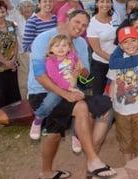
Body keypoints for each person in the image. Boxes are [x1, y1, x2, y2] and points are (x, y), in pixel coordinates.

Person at [27, 10, 116, 179]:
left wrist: (81, 71)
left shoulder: (81, 44)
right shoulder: (44, 38)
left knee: (103, 106)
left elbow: (85, 79)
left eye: (84, 25)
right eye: (77, 22)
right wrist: (64, 94)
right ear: (67, 19)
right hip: (42, 93)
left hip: (69, 91)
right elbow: (39, 75)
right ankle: (92, 160)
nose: (80, 27)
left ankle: (47, 172)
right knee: (79, 109)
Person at [107, 26, 138, 161]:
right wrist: (109, 102)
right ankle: (128, 165)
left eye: (133, 40)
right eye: (125, 42)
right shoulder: (117, 63)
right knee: (125, 139)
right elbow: (112, 82)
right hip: (121, 110)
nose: (130, 45)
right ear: (120, 46)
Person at [29, 34, 87, 141]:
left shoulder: (72, 56)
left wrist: (79, 66)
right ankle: (39, 118)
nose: (61, 48)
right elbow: (55, 79)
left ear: (69, 47)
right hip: (58, 88)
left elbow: (78, 66)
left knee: (82, 102)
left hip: (72, 86)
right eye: (57, 46)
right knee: (50, 102)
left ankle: (77, 133)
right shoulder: (50, 62)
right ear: (51, 49)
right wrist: (69, 88)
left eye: (64, 45)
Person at [21, 0, 57, 96]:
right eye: (45, 1)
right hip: (39, 61)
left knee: (54, 89)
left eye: (50, 1)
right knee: (39, 90)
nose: (48, 4)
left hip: (55, 60)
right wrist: (45, 51)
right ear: (39, 5)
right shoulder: (32, 21)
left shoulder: (56, 19)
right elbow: (26, 46)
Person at [87, 0, 118, 96]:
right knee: (98, 95)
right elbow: (97, 50)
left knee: (116, 92)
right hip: (100, 64)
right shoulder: (92, 24)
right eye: (102, 1)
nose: (105, 4)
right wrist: (115, 60)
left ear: (111, 3)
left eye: (108, 1)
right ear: (97, 4)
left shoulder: (115, 15)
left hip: (116, 61)